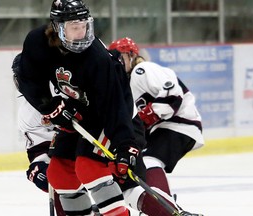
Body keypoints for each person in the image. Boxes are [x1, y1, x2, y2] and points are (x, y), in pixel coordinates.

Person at [14, 1, 147, 215]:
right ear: (57, 27)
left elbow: (115, 105)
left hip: (106, 116)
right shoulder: (37, 42)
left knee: (89, 167)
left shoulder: (98, 58)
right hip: (79, 116)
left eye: (84, 25)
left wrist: (125, 144)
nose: (82, 32)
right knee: (59, 174)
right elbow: (29, 78)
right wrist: (49, 105)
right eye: (74, 27)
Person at [109, 37, 205, 216]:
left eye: (121, 57)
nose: (118, 63)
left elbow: (172, 94)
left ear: (132, 55)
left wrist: (149, 114)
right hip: (166, 127)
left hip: (180, 123)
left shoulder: (142, 69)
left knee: (150, 160)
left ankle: (166, 206)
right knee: (144, 163)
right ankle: (163, 203)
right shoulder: (127, 86)